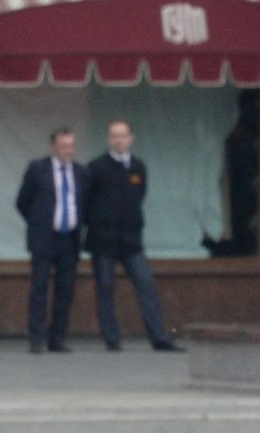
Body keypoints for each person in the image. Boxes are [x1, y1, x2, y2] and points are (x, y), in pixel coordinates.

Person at [83, 120, 179, 352]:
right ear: (108, 139)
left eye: (123, 136)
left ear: (131, 138)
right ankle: (111, 338)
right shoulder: (96, 167)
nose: (119, 140)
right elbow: (85, 201)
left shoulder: (138, 167)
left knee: (146, 285)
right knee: (105, 288)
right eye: (115, 136)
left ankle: (159, 337)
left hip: (131, 240)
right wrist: (98, 222)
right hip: (103, 240)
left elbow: (139, 196)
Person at [15, 127, 86, 353]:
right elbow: (22, 201)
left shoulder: (81, 172)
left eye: (71, 146)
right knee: (40, 287)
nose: (68, 150)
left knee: (65, 290)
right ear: (53, 147)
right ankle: (37, 338)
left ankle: (57, 338)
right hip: (44, 237)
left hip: (69, 238)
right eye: (64, 146)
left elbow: (84, 202)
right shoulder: (38, 169)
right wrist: (39, 221)